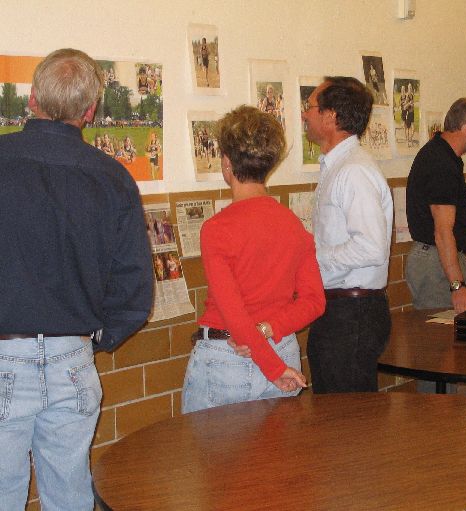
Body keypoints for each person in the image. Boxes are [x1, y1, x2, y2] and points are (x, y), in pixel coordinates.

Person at [0, 48, 153, 510]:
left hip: (4, 356)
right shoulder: (114, 179)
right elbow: (134, 289)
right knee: (70, 496)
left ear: (31, 98)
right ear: (90, 111)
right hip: (73, 359)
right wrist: (97, 338)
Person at [182, 105, 325, 413]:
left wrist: (273, 368)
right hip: (281, 349)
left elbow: (235, 316)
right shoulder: (293, 224)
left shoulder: (217, 229)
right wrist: (269, 331)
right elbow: (314, 302)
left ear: (226, 163)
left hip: (228, 359)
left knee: (209, 447)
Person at [301, 76, 393, 393]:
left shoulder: (353, 171)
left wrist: (313, 260)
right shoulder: (338, 166)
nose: (304, 114)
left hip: (352, 314)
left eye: (310, 106)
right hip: (340, 311)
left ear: (331, 116)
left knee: (346, 416)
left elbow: (371, 248)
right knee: (334, 412)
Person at [406, 98, 466, 313]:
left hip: (438, 259)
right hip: (436, 263)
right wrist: (457, 285)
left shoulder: (443, 155)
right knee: (442, 332)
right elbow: (443, 231)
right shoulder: (441, 163)